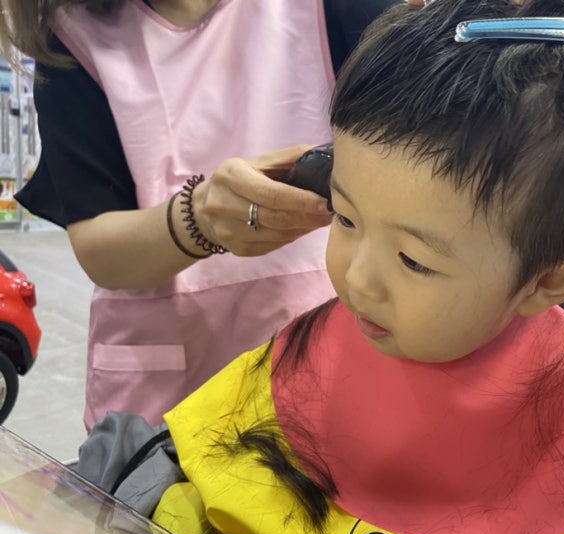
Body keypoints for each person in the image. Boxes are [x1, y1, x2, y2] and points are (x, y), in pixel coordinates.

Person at [77, 0, 564, 534]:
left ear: (548, 284)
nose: (354, 279)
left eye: (415, 260)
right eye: (345, 218)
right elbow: (190, 503)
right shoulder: (301, 358)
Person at [0, 0, 406, 431]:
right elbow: (100, 248)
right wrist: (199, 219)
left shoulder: (343, 9)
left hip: (331, 363)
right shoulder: (73, 40)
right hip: (162, 401)